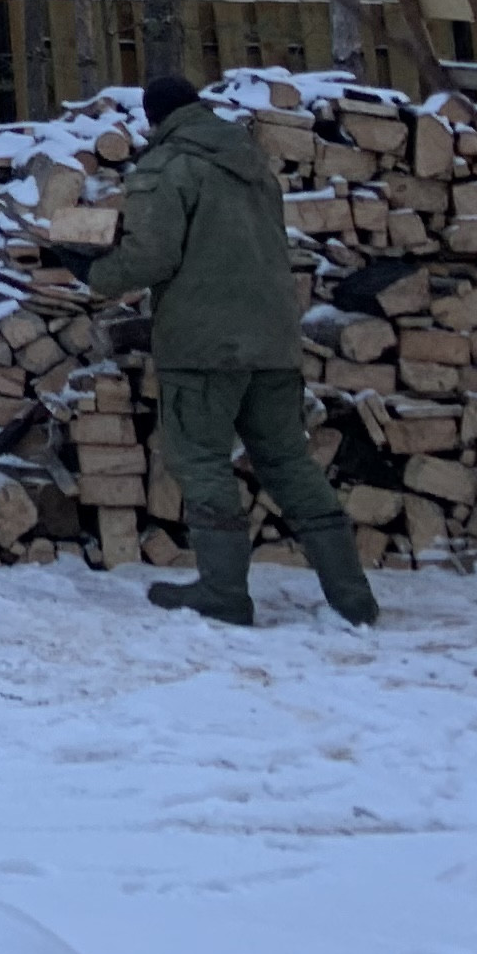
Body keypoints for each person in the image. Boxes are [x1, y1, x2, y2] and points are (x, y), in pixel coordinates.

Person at [81, 71, 380, 627]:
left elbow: (151, 260)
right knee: (289, 461)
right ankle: (352, 595)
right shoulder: (252, 165)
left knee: (201, 462)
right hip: (272, 340)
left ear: (154, 118)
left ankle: (223, 592)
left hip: (202, 344)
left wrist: (90, 269)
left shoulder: (166, 168)